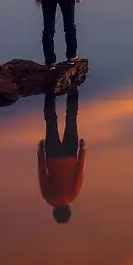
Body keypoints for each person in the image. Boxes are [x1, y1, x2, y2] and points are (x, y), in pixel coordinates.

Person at [38, 88, 85, 224]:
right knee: (50, 120)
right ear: (55, 212)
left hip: (70, 153)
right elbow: (42, 172)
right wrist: (40, 151)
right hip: (52, 154)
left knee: (71, 118)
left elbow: (79, 172)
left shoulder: (72, 196)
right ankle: (50, 91)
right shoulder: (48, 197)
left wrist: (83, 150)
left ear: (68, 210)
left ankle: (73, 86)